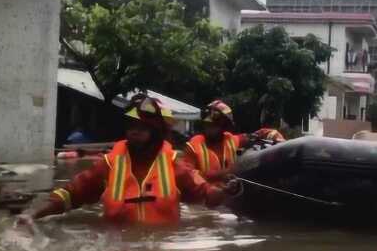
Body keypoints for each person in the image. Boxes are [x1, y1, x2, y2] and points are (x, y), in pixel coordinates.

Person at [17, 94, 241, 225]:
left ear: (156, 132)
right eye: (131, 125)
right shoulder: (109, 164)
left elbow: (207, 195)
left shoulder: (173, 165)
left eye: (143, 127)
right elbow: (71, 193)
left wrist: (227, 190)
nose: (135, 131)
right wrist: (32, 214)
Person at [185, 100, 249, 181]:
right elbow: (187, 175)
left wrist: (269, 133)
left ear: (225, 126)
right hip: (205, 193)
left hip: (229, 192)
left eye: (213, 126)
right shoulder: (194, 145)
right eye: (207, 124)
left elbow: (251, 136)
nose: (208, 128)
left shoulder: (230, 140)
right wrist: (219, 175)